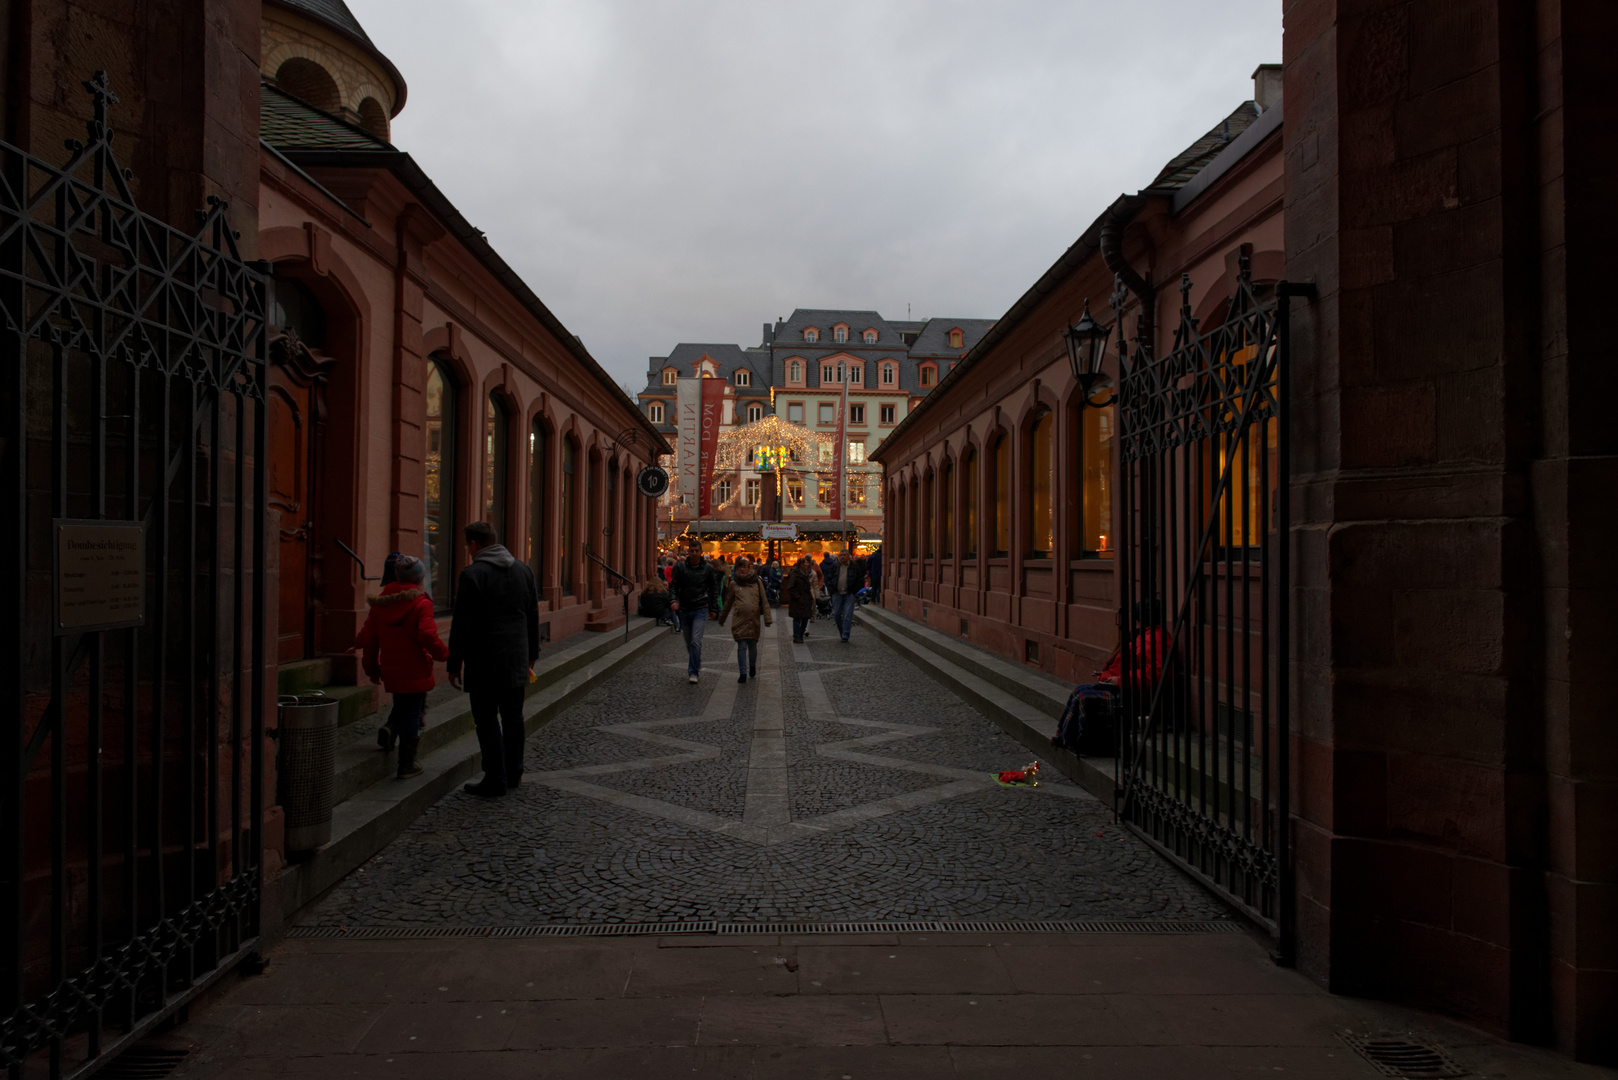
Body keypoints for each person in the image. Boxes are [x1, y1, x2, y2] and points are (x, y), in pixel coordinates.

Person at [447, 521, 540, 798]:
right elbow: (532, 615)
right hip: (516, 657)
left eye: (467, 544)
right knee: (513, 717)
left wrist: (454, 663)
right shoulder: (523, 570)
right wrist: (532, 653)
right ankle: (514, 772)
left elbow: (462, 623)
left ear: (475, 544)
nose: (467, 549)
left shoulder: (473, 574)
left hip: (484, 658)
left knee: (486, 718)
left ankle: (495, 777)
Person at [353, 555, 447, 779]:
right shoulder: (421, 603)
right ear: (419, 578)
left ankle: (391, 728)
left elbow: (369, 640)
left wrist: (371, 669)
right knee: (413, 711)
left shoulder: (380, 604)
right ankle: (406, 764)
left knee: (402, 704)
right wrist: (444, 655)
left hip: (391, 668)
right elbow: (427, 634)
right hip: (415, 667)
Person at [669, 537, 719, 683]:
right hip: (684, 608)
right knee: (689, 641)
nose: (695, 553)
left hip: (700, 608)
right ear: (689, 552)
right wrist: (673, 600)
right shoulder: (680, 567)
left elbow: (713, 589)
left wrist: (713, 607)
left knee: (696, 641)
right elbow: (674, 585)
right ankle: (696, 660)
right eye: (692, 551)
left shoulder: (708, 568)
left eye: (697, 551)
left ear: (701, 552)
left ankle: (693, 672)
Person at [719, 556, 772, 683]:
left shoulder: (757, 582)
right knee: (741, 646)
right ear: (737, 568)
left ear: (749, 568)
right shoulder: (733, 583)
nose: (742, 569)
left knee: (752, 646)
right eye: (740, 566)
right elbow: (728, 602)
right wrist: (722, 618)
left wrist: (767, 618)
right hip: (739, 620)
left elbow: (764, 600)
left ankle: (752, 666)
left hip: (753, 620)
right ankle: (742, 672)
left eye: (745, 566)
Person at [826, 547, 867, 643]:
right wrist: (831, 589)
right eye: (841, 555)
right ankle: (842, 632)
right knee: (837, 614)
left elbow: (860, 579)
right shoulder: (835, 566)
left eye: (844, 555)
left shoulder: (854, 566)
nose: (842, 557)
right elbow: (830, 578)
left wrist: (854, 591)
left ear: (848, 556)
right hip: (837, 593)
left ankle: (845, 635)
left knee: (848, 616)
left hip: (849, 594)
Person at [781, 555, 818, 643]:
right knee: (797, 618)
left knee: (805, 618)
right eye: (806, 562)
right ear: (801, 564)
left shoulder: (806, 573)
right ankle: (797, 636)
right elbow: (791, 587)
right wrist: (798, 597)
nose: (808, 564)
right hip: (798, 601)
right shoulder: (795, 574)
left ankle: (800, 635)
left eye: (808, 562)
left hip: (805, 600)